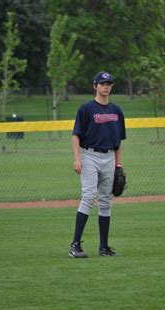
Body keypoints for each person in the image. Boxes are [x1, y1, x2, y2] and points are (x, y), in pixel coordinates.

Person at [69, 71, 126, 258]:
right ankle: (75, 245)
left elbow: (118, 142)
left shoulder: (116, 111)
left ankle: (104, 248)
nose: (106, 86)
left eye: (108, 83)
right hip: (89, 156)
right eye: (102, 83)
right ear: (95, 86)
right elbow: (76, 135)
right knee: (88, 196)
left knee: (106, 200)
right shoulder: (86, 109)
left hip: (110, 157)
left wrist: (119, 165)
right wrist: (77, 159)